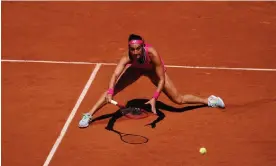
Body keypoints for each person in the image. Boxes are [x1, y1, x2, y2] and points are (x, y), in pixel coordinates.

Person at [78, 34, 225, 128]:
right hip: (135, 71)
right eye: (132, 49)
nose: (135, 52)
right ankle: (89, 115)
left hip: (153, 72)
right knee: (113, 90)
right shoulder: (127, 57)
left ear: (143, 46)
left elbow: (161, 78)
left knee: (178, 100)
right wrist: (110, 92)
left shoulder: (152, 54)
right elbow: (115, 74)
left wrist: (155, 98)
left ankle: (209, 100)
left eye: (137, 49)